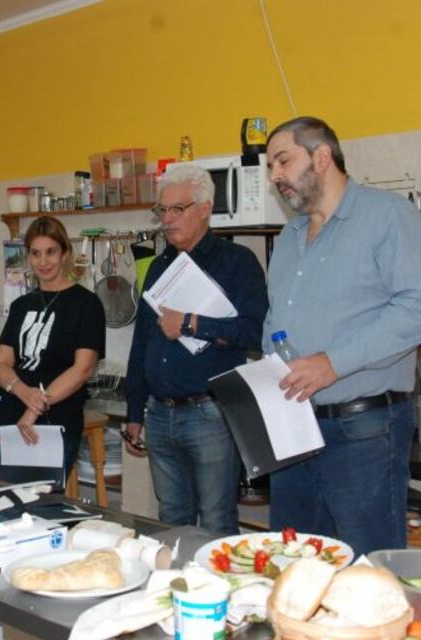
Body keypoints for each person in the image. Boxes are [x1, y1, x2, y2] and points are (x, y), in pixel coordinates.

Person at [263, 116, 421, 557]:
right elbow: (276, 319)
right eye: (270, 167)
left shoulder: (387, 215)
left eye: (283, 161)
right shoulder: (287, 237)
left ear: (322, 157)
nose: (275, 176)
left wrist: (332, 362)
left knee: (368, 570)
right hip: (294, 428)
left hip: (364, 430)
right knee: (294, 561)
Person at [124, 165, 268, 536]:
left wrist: (194, 323)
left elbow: (254, 332)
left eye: (178, 209)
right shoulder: (157, 267)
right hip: (159, 414)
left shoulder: (237, 262)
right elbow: (141, 342)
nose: (168, 220)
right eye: (162, 211)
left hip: (211, 413)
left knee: (217, 521)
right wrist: (134, 411)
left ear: (205, 208)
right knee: (171, 520)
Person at [0, 216, 105, 485]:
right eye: (36, 253)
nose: (43, 261)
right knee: (1, 498)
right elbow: (1, 364)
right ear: (28, 257)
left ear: (64, 253)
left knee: (40, 503)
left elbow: (82, 369)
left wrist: (34, 408)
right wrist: (23, 391)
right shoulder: (21, 306)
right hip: (10, 418)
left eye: (51, 252)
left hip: (56, 420)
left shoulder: (86, 304)